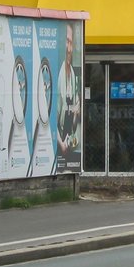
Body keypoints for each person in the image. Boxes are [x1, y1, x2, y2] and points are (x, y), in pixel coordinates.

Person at [55, 24, 82, 172]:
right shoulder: (58, 75)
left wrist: (76, 112)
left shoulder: (71, 73)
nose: (69, 48)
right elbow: (52, 119)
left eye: (71, 42)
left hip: (68, 144)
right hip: (58, 146)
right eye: (67, 41)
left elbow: (73, 121)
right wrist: (61, 144)